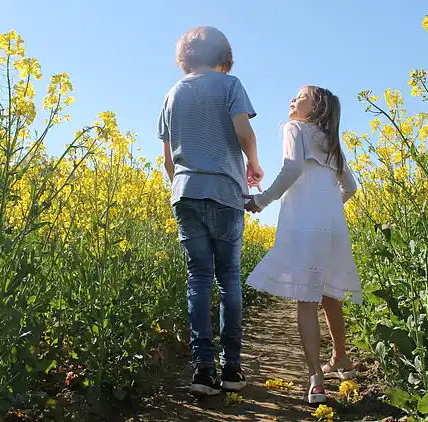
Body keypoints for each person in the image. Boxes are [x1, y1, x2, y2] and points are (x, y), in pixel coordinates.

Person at [157, 26, 263, 397]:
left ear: (185, 56)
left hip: (185, 193)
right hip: (224, 191)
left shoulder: (172, 94)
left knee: (198, 279)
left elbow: (168, 159)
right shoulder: (230, 85)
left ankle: (203, 370)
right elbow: (243, 131)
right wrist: (254, 163)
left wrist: (182, 186)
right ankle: (232, 368)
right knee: (228, 278)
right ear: (223, 56)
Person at [244, 86, 362, 404]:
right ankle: (341, 358)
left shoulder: (294, 128)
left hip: (304, 225)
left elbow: (292, 168)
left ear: (316, 106)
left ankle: (316, 381)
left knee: (307, 300)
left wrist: (262, 200)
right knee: (329, 294)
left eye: (300, 96)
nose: (292, 100)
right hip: (332, 225)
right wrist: (329, 207)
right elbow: (350, 187)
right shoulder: (331, 140)